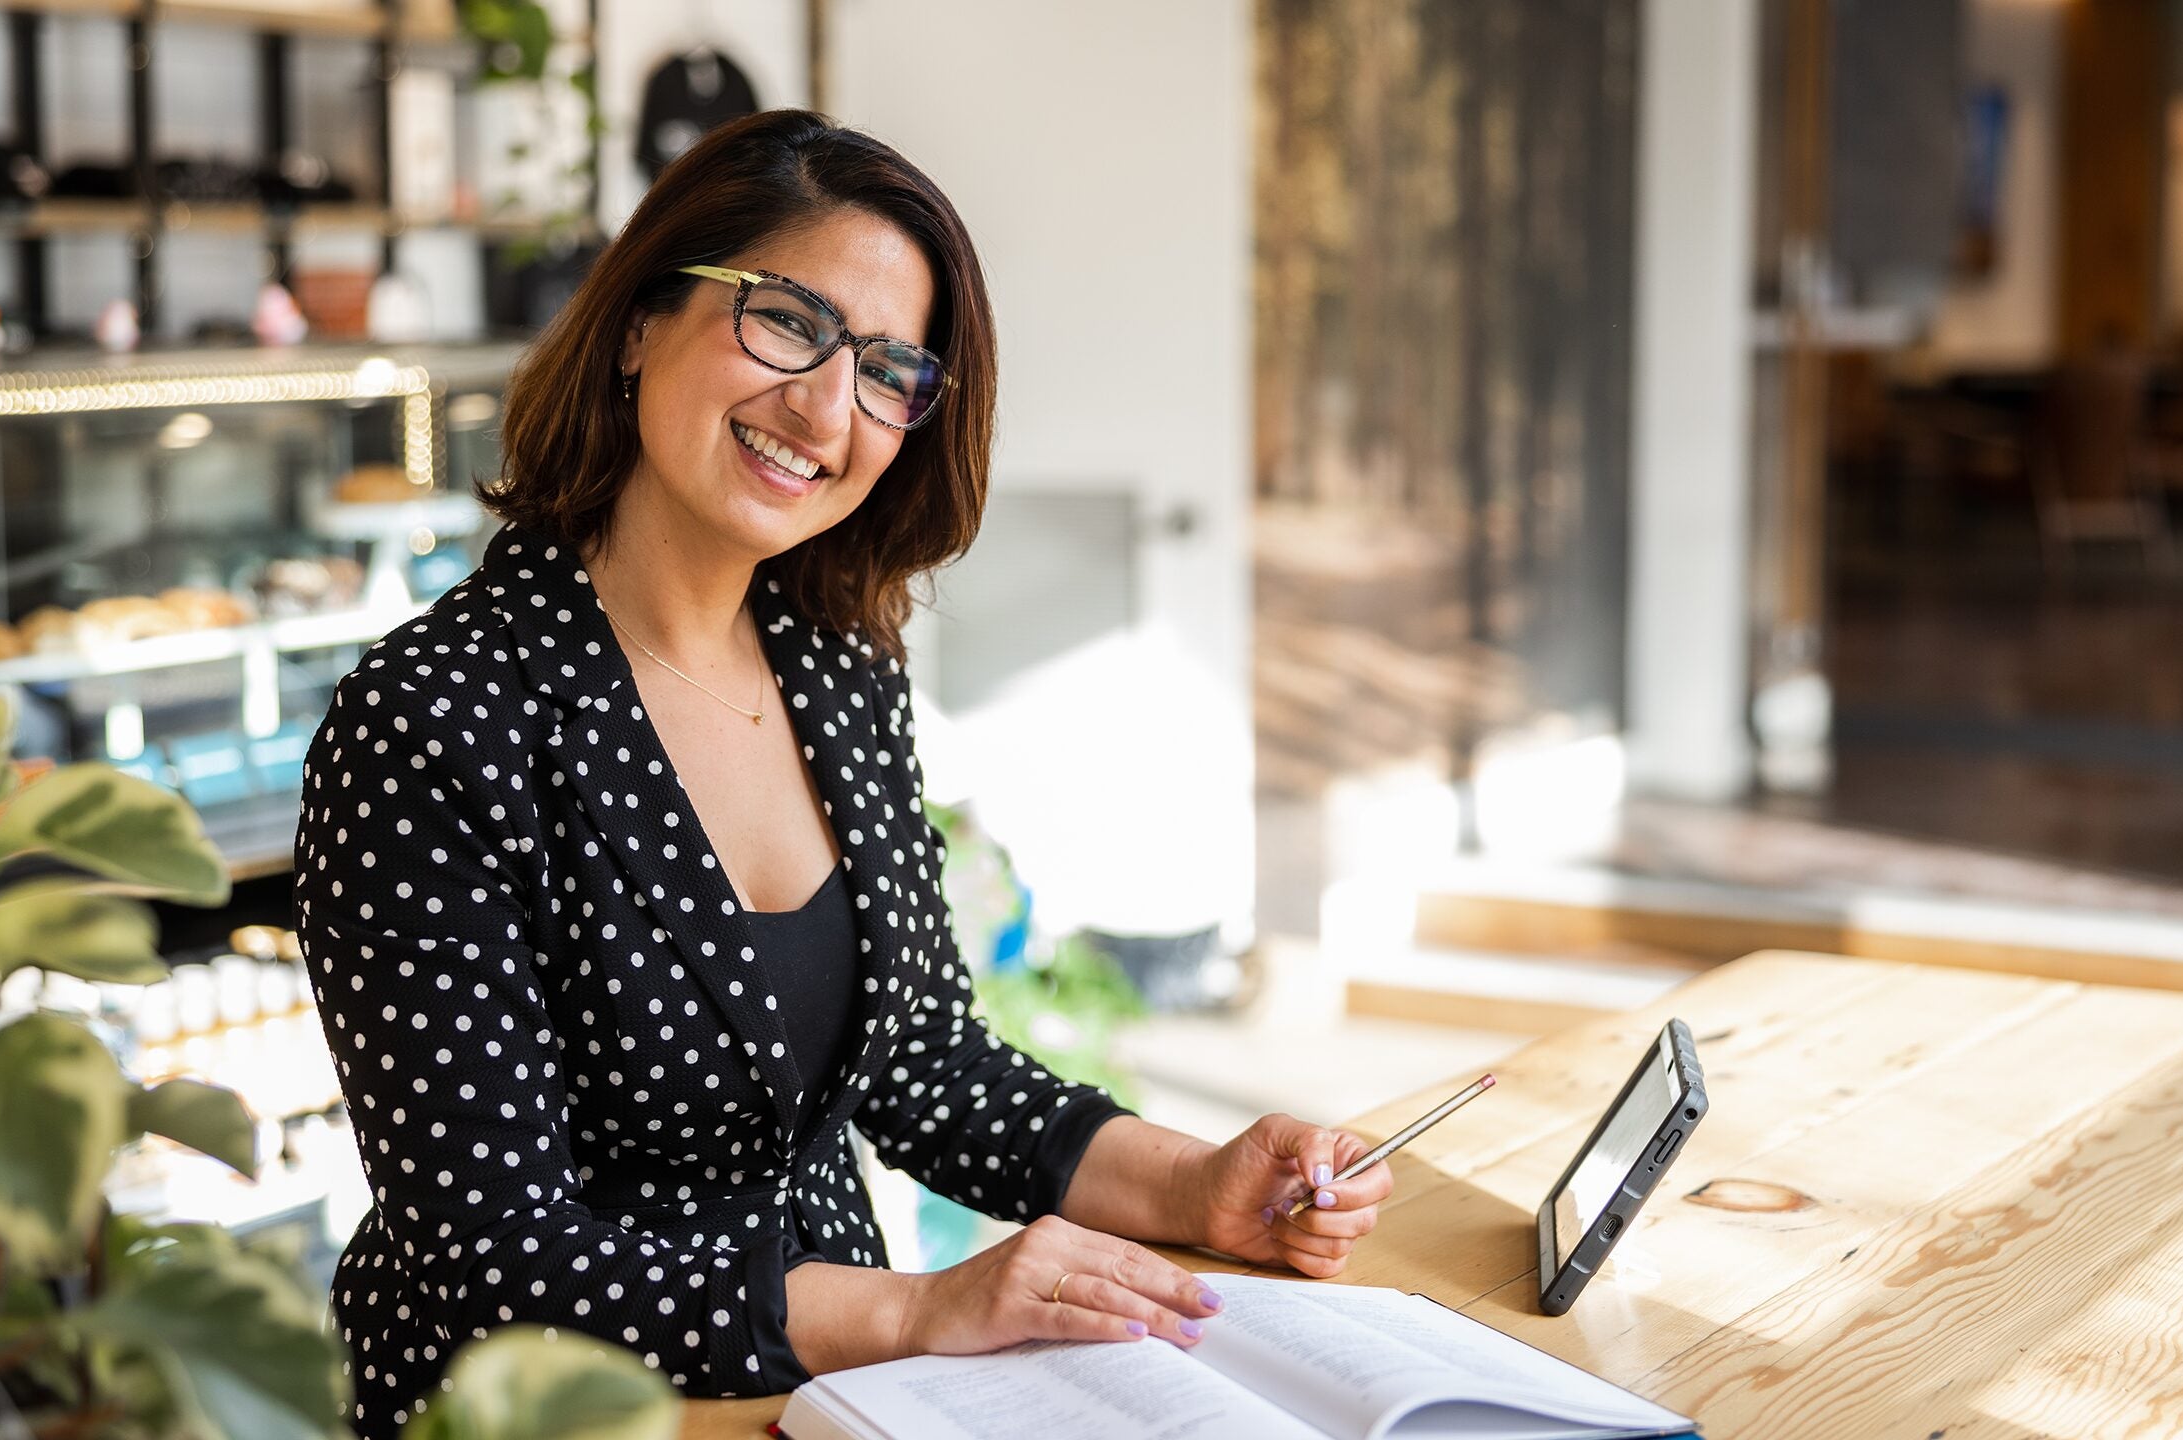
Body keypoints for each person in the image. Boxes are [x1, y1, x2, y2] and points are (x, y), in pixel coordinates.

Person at [294, 108, 1392, 1437]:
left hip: (833, 1403)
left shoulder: (834, 671)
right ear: (640, 322)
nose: (824, 407)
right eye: (785, 322)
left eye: (886, 369)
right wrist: (921, 1313)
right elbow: (492, 1262)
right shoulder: (434, 719)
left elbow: (926, 1066)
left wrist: (1196, 1184)